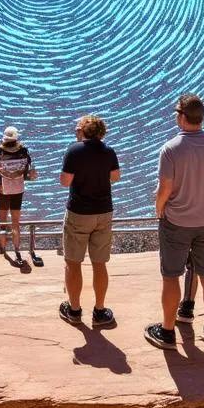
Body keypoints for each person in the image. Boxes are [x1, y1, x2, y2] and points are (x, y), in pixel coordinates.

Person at [144, 93, 204, 350]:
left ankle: (168, 332)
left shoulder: (171, 148)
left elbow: (165, 188)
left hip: (177, 221)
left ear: (181, 117)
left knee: (171, 276)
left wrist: (159, 210)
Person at [58, 115, 120, 328]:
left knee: (73, 262)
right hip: (103, 212)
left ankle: (74, 310)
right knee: (99, 263)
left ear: (85, 130)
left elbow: (65, 181)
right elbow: (115, 176)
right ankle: (100, 311)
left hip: (79, 212)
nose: (75, 131)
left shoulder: (74, 150)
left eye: (77, 128)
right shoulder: (108, 151)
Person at [0, 125, 37, 264]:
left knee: (2, 222)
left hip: (3, 189)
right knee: (15, 223)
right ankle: (17, 250)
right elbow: (28, 169)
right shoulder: (24, 150)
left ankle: (3, 250)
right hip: (18, 189)